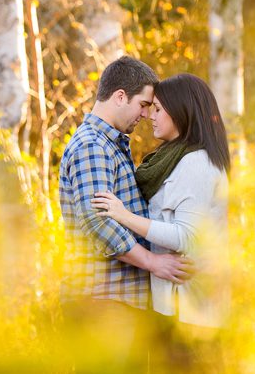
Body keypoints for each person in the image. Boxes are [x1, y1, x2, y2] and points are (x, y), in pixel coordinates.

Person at [58, 56, 194, 371]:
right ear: (120, 96)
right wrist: (153, 262)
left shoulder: (112, 145)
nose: (146, 115)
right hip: (102, 304)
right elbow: (97, 221)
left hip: (117, 303)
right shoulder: (93, 146)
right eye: (144, 105)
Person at [91, 73, 231, 369]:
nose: (149, 116)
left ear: (181, 111)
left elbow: (186, 236)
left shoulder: (197, 164)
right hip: (172, 309)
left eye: (157, 109)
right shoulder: (173, 159)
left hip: (192, 313)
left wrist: (123, 215)